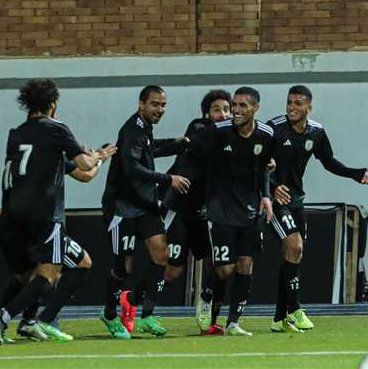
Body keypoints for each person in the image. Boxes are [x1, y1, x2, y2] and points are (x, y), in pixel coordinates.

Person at [0, 79, 103, 345]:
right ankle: (4, 317)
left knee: (33, 274)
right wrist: (95, 156)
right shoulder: (56, 130)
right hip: (44, 215)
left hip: (13, 215)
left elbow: (81, 173)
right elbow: (85, 163)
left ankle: (27, 321)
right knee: (49, 275)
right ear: (53, 104)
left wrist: (92, 164)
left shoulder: (17, 133)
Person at [268, 85, 368, 333]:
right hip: (274, 201)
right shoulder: (274, 128)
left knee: (294, 255)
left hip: (296, 200)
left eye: (298, 103)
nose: (292, 108)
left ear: (309, 107)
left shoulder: (316, 132)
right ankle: (295, 309)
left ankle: (278, 317)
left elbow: (328, 162)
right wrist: (272, 188)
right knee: (294, 246)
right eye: (289, 103)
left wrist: (355, 174)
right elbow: (256, 162)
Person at [175, 86, 274, 336]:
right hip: (220, 208)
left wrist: (266, 196)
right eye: (235, 105)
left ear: (255, 108)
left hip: (249, 210)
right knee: (225, 269)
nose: (236, 111)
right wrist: (177, 180)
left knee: (245, 264)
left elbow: (264, 166)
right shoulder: (217, 132)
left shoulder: (265, 134)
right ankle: (206, 295)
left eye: (242, 106)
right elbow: (190, 154)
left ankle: (233, 323)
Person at [100, 85, 190, 339]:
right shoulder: (131, 130)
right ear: (141, 104)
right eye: (154, 104)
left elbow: (150, 149)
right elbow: (132, 169)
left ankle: (137, 304)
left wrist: (178, 144)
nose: (159, 110)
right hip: (122, 209)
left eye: (163, 105)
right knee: (123, 268)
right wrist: (167, 179)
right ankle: (108, 314)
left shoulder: (144, 130)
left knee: (161, 255)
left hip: (145, 207)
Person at [160, 89, 232, 335]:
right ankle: (138, 301)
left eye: (226, 109)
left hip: (205, 211)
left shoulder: (232, 138)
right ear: (206, 114)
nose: (222, 114)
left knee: (219, 264)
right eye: (217, 109)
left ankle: (208, 316)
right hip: (181, 207)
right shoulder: (199, 128)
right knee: (172, 270)